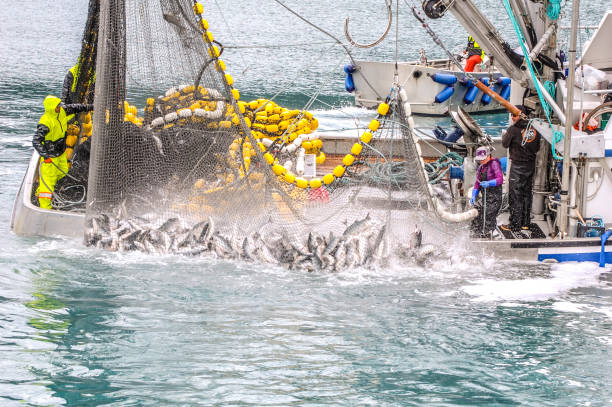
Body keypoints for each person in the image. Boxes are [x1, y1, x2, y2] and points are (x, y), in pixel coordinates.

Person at [32, 95, 94, 209]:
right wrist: (45, 155)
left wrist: (89, 107)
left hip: (60, 153)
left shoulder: (61, 112)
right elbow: (36, 141)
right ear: (51, 108)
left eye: (59, 105)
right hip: (50, 156)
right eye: (57, 106)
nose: (59, 107)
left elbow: (75, 107)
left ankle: (41, 190)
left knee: (63, 172)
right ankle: (45, 208)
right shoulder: (45, 123)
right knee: (48, 185)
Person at [500, 105, 541, 233]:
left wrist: (505, 134)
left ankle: (515, 225)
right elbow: (537, 147)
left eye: (514, 115)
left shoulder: (513, 129)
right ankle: (525, 223)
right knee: (526, 194)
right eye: (511, 115)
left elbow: (505, 144)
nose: (512, 118)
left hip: (518, 166)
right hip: (530, 165)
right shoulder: (535, 128)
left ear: (521, 114)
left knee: (515, 196)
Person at [470, 146, 504, 238]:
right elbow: (477, 183)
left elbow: (500, 179)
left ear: (489, 156)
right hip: (486, 197)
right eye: (480, 159)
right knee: (478, 211)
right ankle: (475, 232)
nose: (481, 161)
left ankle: (488, 234)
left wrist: (489, 183)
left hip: (495, 198)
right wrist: (473, 195)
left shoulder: (494, 164)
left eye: (483, 159)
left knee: (488, 215)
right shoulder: (481, 167)